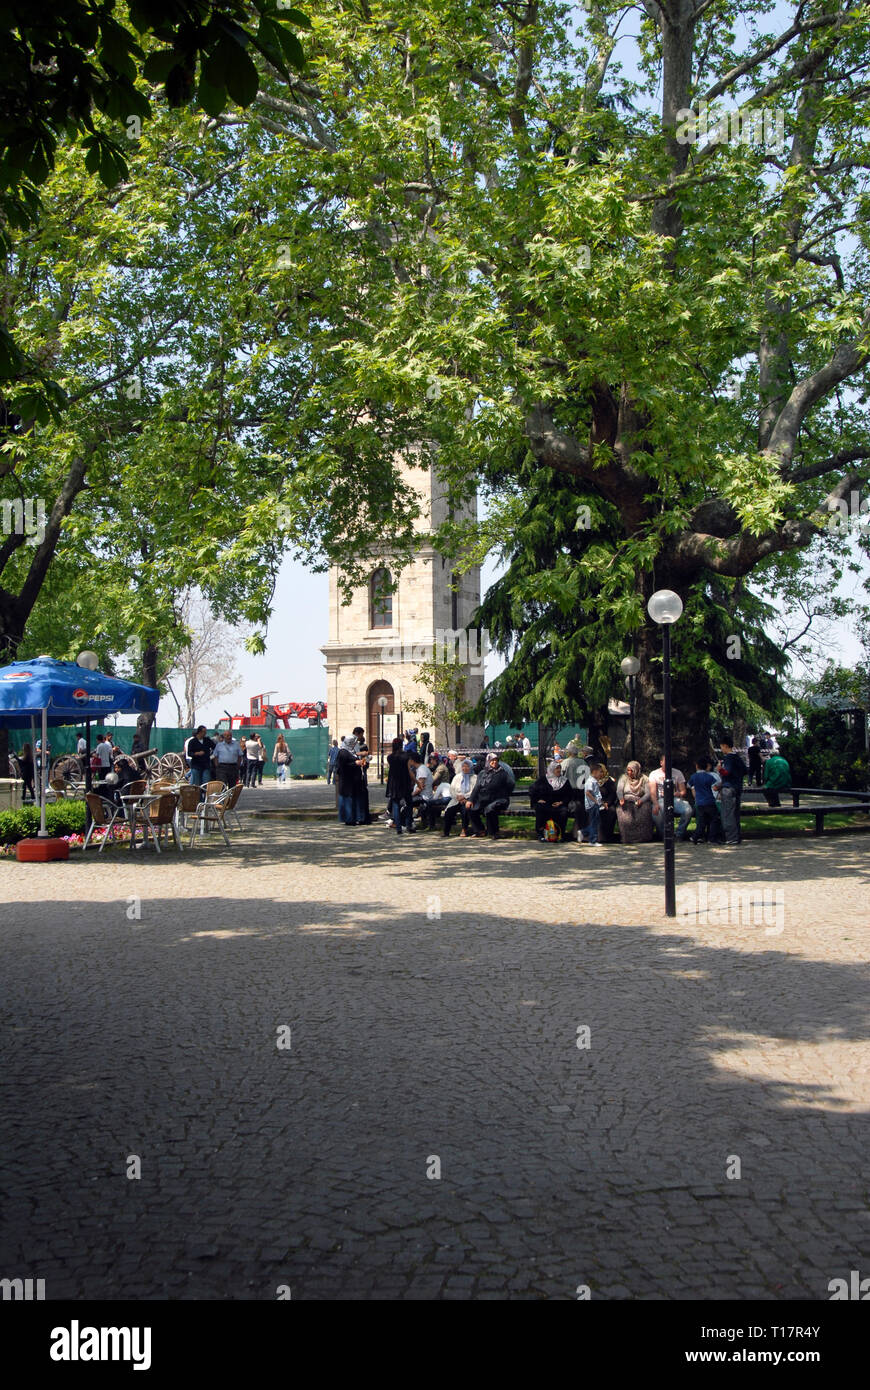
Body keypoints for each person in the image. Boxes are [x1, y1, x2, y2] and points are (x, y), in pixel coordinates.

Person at [467, 751, 513, 839]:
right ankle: (480, 830)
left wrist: (504, 793)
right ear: (488, 761)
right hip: (484, 799)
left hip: (499, 799)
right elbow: (477, 787)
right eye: (492, 760)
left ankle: (494, 832)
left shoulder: (502, 773)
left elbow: (511, 785)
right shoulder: (482, 773)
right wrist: (470, 800)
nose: (494, 762)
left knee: (490, 809)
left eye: (496, 760)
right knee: (471, 808)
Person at [648, 755, 693, 841]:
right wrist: (655, 803)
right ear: (661, 762)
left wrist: (678, 793)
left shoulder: (678, 773)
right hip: (661, 799)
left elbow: (683, 791)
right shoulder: (654, 774)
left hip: (674, 799)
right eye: (666, 761)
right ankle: (665, 835)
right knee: (656, 813)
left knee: (688, 810)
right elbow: (653, 793)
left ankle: (679, 834)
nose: (668, 763)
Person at [529, 759, 571, 842]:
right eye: (557, 768)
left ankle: (560, 834)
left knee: (563, 811)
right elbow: (532, 790)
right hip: (546, 803)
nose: (559, 770)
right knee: (541, 809)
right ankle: (541, 834)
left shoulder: (564, 781)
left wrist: (561, 802)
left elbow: (569, 795)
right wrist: (537, 800)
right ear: (552, 769)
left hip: (558, 804)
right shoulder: (543, 780)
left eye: (559, 768)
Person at [615, 761, 654, 843]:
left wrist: (641, 800)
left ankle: (643, 838)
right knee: (624, 813)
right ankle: (626, 838)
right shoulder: (623, 778)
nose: (630, 773)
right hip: (626, 800)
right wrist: (621, 798)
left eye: (632, 771)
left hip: (640, 799)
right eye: (628, 770)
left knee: (646, 810)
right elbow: (619, 790)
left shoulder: (644, 779)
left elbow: (648, 793)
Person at [717, 737, 745, 845]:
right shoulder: (737, 758)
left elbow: (726, 772)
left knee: (728, 814)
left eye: (721, 747)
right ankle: (737, 836)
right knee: (735, 813)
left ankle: (731, 837)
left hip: (728, 788)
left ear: (725, 746)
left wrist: (720, 769)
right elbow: (744, 770)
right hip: (737, 787)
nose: (721, 749)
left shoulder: (728, 758)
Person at [688, 758, 723, 843]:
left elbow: (689, 785)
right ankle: (712, 837)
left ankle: (696, 836)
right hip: (709, 801)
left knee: (701, 821)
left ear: (697, 766)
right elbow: (715, 787)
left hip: (699, 802)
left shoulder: (694, 776)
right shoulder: (709, 776)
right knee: (714, 819)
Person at [563, 742, 592, 840]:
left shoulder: (565, 763)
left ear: (569, 753)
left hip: (568, 791)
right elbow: (588, 777)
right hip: (580, 791)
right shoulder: (583, 762)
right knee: (582, 810)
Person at [443, 758, 477, 837]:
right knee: (449, 811)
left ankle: (464, 830)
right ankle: (446, 831)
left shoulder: (475, 777)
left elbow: (474, 790)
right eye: (463, 766)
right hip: (456, 799)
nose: (465, 768)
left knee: (465, 810)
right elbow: (452, 789)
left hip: (468, 800)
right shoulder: (457, 777)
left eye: (467, 766)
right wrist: (457, 797)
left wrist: (464, 797)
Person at [385, 737, 413, 833]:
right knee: (409, 803)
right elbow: (409, 770)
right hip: (405, 781)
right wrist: (416, 781)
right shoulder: (406, 756)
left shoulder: (390, 757)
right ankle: (408, 825)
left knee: (395, 804)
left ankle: (398, 828)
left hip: (394, 782)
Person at [335, 736, 364, 825]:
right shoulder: (343, 752)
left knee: (353, 799)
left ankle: (354, 818)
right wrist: (355, 763)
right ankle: (349, 819)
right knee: (348, 800)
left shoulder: (351, 751)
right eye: (354, 742)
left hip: (352, 780)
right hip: (347, 781)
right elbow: (342, 767)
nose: (355, 744)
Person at [590, 763, 618, 842]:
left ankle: (607, 836)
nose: (601, 774)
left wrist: (607, 803)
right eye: (599, 772)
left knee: (611, 811)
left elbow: (612, 794)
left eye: (602, 772)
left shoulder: (608, 781)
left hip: (606, 802)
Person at [186, 725, 215, 795]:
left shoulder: (207, 740)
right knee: (196, 784)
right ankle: (197, 799)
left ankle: (204, 798)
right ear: (200, 732)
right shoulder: (192, 741)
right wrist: (196, 753)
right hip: (196, 765)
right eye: (204, 732)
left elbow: (214, 746)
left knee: (206, 784)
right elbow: (189, 753)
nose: (205, 733)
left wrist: (212, 755)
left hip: (206, 765)